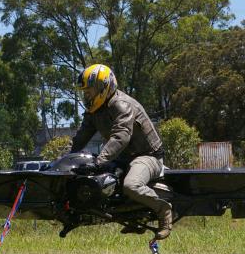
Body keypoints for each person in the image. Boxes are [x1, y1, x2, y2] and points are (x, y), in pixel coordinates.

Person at [70, 64, 173, 239]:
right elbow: (80, 138)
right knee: (100, 182)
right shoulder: (94, 110)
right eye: (84, 92)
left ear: (104, 87)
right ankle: (132, 217)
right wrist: (65, 161)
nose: (86, 96)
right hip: (122, 158)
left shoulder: (121, 104)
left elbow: (121, 136)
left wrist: (99, 162)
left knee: (131, 185)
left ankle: (164, 211)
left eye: (89, 91)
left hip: (148, 156)